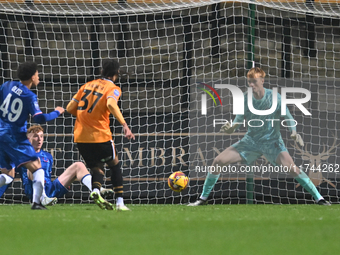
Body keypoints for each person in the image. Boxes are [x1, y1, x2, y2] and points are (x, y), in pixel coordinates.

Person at [188, 67, 330, 206]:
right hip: (251, 141)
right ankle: (203, 198)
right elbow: (238, 120)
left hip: (272, 142)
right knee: (218, 160)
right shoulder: (245, 98)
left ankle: (319, 198)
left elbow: (288, 117)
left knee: (293, 169)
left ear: (262, 80)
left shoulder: (274, 97)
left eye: (254, 81)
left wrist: (294, 132)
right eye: (249, 81)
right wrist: (231, 128)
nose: (251, 85)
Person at [66, 59, 135, 211]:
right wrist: (125, 125)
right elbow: (111, 104)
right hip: (100, 135)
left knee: (97, 168)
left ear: (102, 71)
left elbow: (70, 108)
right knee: (114, 165)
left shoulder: (86, 86)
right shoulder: (113, 88)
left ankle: (96, 191)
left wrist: (85, 117)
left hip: (80, 137)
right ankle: (120, 203)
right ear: (116, 74)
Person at [0, 62, 64, 209]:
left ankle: (38, 202)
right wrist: (57, 112)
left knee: (8, 173)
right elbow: (39, 118)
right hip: (15, 136)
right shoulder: (29, 96)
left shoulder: (7, 85)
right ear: (32, 77)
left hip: (1, 133)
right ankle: (37, 202)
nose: (38, 76)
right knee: (37, 168)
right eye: (37, 74)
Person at [0, 125, 114, 205]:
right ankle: (42, 197)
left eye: (41, 136)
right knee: (33, 166)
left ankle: (96, 190)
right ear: (28, 139)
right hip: (33, 191)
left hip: (51, 189)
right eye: (35, 136)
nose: (39, 139)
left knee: (78, 165)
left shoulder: (47, 156)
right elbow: (9, 174)